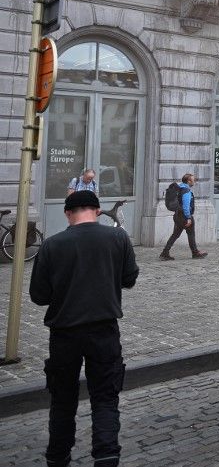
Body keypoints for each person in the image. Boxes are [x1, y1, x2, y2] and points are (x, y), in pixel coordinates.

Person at [29, 190, 139, 467]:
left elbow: (39, 296)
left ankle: (57, 458)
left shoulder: (52, 245)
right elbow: (129, 278)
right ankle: (106, 458)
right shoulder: (118, 238)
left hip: (64, 332)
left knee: (63, 401)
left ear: (68, 213)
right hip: (104, 330)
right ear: (98, 210)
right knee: (104, 398)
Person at [160, 173, 207, 260]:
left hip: (177, 215)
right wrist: (189, 218)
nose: (194, 181)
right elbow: (186, 206)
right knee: (191, 234)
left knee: (175, 235)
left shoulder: (179, 188)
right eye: (193, 180)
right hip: (184, 216)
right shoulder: (186, 191)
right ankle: (195, 252)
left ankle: (165, 252)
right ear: (188, 181)